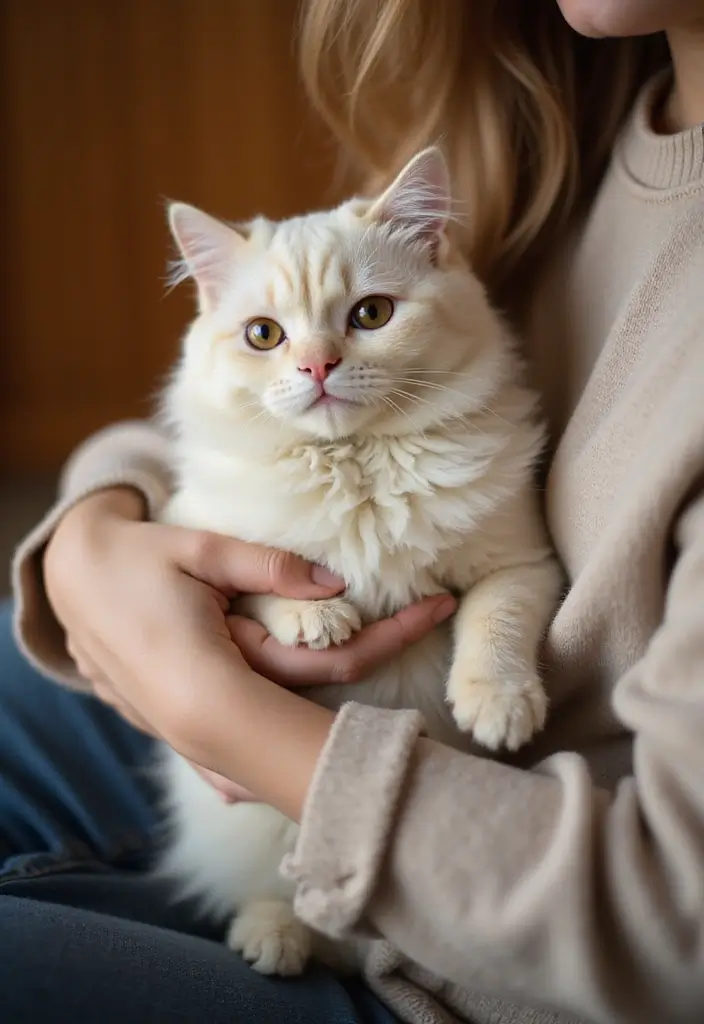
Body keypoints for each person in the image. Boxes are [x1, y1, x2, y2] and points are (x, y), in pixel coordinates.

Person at [3, 0, 704, 1021]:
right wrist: (94, 526)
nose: (315, 361)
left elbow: (670, 930)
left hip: (480, 931)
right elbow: (219, 425)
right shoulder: (555, 121)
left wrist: (215, 713)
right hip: (277, 758)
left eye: (361, 320)